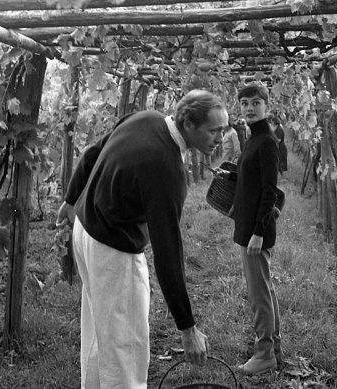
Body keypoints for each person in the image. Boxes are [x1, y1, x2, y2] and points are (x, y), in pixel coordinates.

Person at [56, 89, 228, 389]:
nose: (220, 138)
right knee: (126, 346)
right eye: (214, 130)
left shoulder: (147, 118)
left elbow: (93, 151)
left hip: (84, 231)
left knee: (99, 332)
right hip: (112, 251)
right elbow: (168, 253)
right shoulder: (167, 169)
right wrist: (187, 327)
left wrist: (71, 199)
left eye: (223, 129)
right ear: (189, 124)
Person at [230, 83, 282, 375]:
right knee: (265, 288)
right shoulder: (253, 139)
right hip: (248, 227)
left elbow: (269, 191)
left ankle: (264, 354)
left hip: (255, 231)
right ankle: (273, 347)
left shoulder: (266, 142)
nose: (249, 108)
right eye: (244, 103)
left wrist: (259, 231)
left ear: (266, 106)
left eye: (255, 102)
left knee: (259, 293)